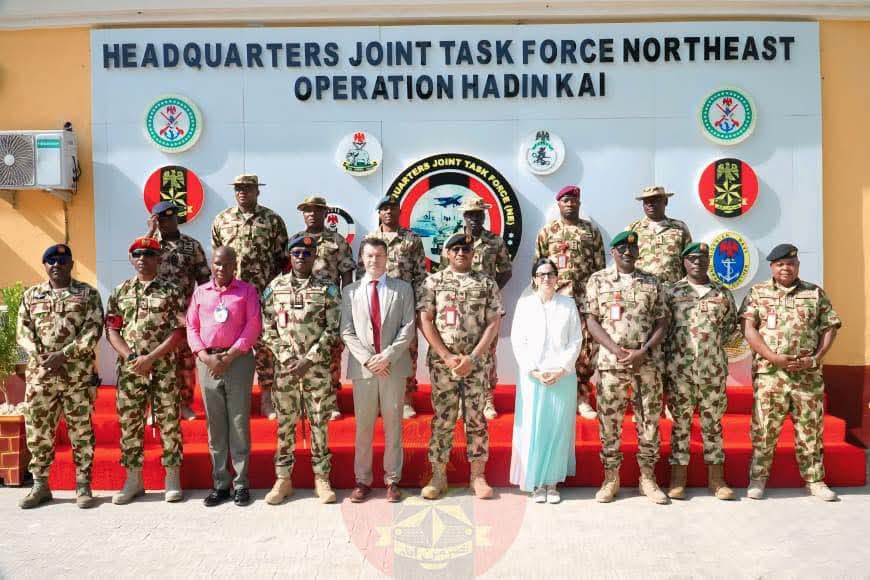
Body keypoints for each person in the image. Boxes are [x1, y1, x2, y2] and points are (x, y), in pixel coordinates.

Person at [740, 244, 841, 501]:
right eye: (780, 264)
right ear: (772, 267)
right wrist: (773, 357)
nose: (786, 268)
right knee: (764, 429)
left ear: (798, 266)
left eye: (791, 264)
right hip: (770, 374)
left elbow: (830, 327)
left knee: (810, 430)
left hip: (807, 376)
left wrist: (816, 358)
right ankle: (758, 479)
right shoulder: (758, 293)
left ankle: (815, 480)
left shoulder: (814, 293)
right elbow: (748, 329)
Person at [584, 230, 670, 504]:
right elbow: (592, 320)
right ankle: (611, 478)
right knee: (610, 423)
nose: (627, 253)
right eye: (622, 249)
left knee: (649, 422)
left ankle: (648, 478)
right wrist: (616, 350)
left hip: (647, 363)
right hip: (612, 364)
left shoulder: (652, 282)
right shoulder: (598, 280)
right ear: (613, 252)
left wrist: (644, 351)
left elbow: (663, 321)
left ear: (638, 252)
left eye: (632, 249)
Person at [16, 244, 104, 509]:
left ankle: (83, 485)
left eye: (62, 261)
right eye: (51, 261)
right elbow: (23, 332)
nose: (57, 265)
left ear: (71, 264)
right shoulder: (32, 295)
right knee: (38, 431)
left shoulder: (88, 294)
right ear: (45, 265)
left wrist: (64, 355)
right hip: (41, 377)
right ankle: (40, 485)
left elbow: (93, 330)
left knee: (81, 432)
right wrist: (41, 355)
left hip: (76, 377)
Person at [419, 232, 502, 500]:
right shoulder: (433, 282)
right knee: (443, 418)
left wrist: (473, 358)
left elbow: (493, 322)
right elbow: (425, 320)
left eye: (466, 249)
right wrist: (446, 356)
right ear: (446, 253)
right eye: (455, 249)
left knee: (476, 419)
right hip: (444, 365)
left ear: (473, 253)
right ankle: (438, 475)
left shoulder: (486, 283)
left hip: (476, 365)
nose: (460, 253)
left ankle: (477, 476)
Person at [105, 237, 187, 504]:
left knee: (169, 422)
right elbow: (112, 329)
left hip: (163, 367)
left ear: (159, 259)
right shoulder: (120, 291)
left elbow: (179, 331)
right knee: (130, 423)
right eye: (138, 254)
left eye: (149, 254)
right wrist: (132, 358)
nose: (143, 259)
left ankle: (172, 477)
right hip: (131, 370)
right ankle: (133, 479)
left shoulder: (172, 291)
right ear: (132, 259)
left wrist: (151, 358)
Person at [261, 235, 341, 505]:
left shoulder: (327, 289)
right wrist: (286, 358)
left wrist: (309, 359)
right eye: (296, 253)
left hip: (316, 370)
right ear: (289, 255)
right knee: (285, 424)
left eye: (307, 254)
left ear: (315, 256)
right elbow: (267, 328)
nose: (301, 258)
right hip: (286, 371)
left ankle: (322, 477)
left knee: (319, 423)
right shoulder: (276, 287)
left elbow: (333, 329)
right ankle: (283, 479)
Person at [342, 238, 416, 503]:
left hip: (392, 368)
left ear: (387, 258)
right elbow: (346, 330)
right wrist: (368, 360)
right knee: (363, 427)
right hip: (364, 370)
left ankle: (392, 480)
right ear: (362, 258)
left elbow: (408, 327)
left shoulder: (402, 289)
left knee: (393, 425)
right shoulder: (349, 291)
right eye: (370, 256)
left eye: (379, 255)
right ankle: (362, 480)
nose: (374, 260)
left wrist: (387, 357)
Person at [187, 247, 262, 507]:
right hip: (208, 361)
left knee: (239, 423)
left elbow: (253, 325)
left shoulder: (246, 291)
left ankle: (241, 484)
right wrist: (205, 357)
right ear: (211, 264)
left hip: (238, 361)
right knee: (215, 425)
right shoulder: (200, 292)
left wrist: (229, 357)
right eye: (217, 263)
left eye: (227, 264)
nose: (221, 268)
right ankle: (220, 484)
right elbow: (191, 326)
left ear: (234, 266)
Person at [663, 242, 738, 501]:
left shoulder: (722, 293)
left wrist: (710, 347)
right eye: (692, 258)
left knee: (713, 425)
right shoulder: (672, 292)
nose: (698, 262)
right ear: (684, 262)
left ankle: (717, 480)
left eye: (703, 258)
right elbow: (664, 329)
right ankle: (677, 480)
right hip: (679, 371)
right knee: (680, 425)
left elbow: (730, 327)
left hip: (712, 371)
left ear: (709, 262)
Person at [211, 174, 288, 420]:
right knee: (231, 345)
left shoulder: (272, 220)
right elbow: (218, 259)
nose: (242, 192)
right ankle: (233, 398)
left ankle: (267, 398)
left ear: (257, 191)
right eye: (238, 188)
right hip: (232, 296)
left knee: (265, 347)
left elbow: (282, 259)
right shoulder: (222, 219)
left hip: (263, 294)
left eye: (247, 188)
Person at [509, 258, 583, 504]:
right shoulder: (525, 305)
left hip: (562, 377)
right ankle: (536, 483)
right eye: (541, 274)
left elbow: (576, 340)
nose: (546, 279)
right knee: (535, 428)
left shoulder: (567, 304)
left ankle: (552, 483)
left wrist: (561, 369)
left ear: (557, 278)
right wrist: (534, 371)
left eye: (550, 274)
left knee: (557, 429)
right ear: (534, 278)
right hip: (533, 377)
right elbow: (518, 341)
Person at [534, 185, 606, 420]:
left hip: (585, 300)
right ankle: (556, 397)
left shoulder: (590, 231)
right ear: (559, 204)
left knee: (585, 351)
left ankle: (582, 398)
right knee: (555, 346)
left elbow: (600, 268)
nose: (570, 203)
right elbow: (538, 267)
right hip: (557, 300)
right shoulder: (548, 231)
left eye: (574, 200)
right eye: (565, 200)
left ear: (579, 203)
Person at [440, 197, 512, 420]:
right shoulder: (453, 240)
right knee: (459, 350)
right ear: (464, 217)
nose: (474, 218)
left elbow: (506, 271)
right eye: (470, 214)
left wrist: (487, 294)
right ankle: (461, 399)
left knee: (487, 352)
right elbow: (444, 272)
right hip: (458, 307)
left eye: (478, 214)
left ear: (484, 216)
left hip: (486, 309)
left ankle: (487, 399)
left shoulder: (495, 241)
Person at [357, 196, 427, 419]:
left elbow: (420, 275)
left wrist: (419, 305)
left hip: (403, 303)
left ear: (399, 211)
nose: (388, 212)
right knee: (376, 348)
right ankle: (377, 398)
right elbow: (361, 272)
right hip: (375, 302)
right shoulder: (369, 239)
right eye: (384, 208)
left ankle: (405, 399)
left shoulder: (411, 240)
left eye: (392, 208)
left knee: (406, 350)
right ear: (379, 213)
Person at [628, 185, 692, 422]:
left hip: (673, 298)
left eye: (656, 200)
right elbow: (626, 262)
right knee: (644, 351)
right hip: (644, 301)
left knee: (673, 351)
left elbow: (688, 262)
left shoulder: (679, 229)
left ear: (666, 202)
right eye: (646, 201)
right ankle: (642, 406)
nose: (650, 204)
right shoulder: (634, 229)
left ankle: (671, 403)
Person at [289, 195, 355, 420]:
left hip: (329, 306)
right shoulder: (296, 240)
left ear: (325, 213)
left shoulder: (337, 241)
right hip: (301, 307)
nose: (312, 214)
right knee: (301, 352)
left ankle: (330, 400)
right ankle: (302, 401)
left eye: (316, 210)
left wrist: (346, 306)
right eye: (307, 210)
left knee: (330, 353)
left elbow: (347, 275)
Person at [146, 200, 210, 421]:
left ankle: (184, 404)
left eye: (170, 218)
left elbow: (204, 279)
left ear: (177, 218)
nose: (167, 222)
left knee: (185, 363)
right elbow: (137, 263)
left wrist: (201, 312)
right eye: (161, 219)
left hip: (185, 314)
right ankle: (156, 407)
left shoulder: (191, 246)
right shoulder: (150, 244)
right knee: (157, 361)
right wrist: (150, 232)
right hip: (156, 315)